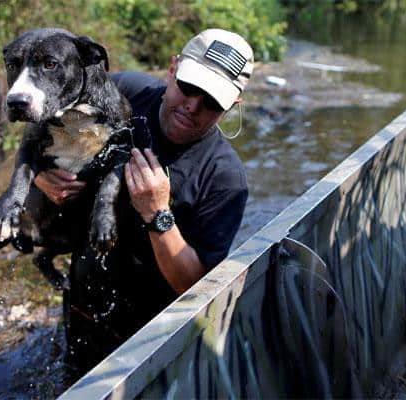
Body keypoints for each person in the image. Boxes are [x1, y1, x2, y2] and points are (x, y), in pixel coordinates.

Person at [34, 28, 254, 376]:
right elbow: (45, 120)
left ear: (233, 106)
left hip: (150, 338)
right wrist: (42, 171)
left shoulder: (225, 179)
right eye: (190, 86)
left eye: (212, 101)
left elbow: (196, 287)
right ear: (172, 68)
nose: (193, 106)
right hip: (82, 305)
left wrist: (157, 213)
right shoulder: (123, 93)